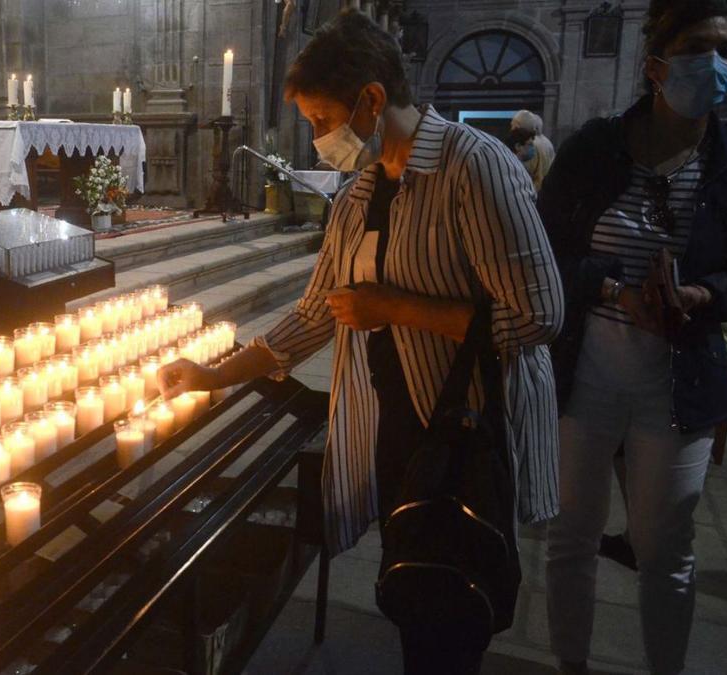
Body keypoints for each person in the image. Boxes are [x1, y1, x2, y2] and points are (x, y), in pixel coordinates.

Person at [157, 8, 564, 673]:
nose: (318, 139)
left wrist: (398, 307)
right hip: (397, 430)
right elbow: (314, 316)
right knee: (413, 593)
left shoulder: (475, 167)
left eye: (322, 121)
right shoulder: (357, 196)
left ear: (372, 100)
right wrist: (211, 374)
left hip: (467, 431)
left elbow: (540, 315)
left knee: (455, 608)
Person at [539, 0, 727, 672]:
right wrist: (611, 286)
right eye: (699, 46)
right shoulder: (594, 148)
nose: (717, 63)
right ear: (658, 64)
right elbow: (545, 253)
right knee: (572, 537)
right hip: (588, 371)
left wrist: (704, 293)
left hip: (680, 376)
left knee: (666, 551)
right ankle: (571, 663)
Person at [509, 110, 557, 191]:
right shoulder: (547, 141)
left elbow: (522, 175)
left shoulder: (528, 145)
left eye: (513, 126)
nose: (512, 129)